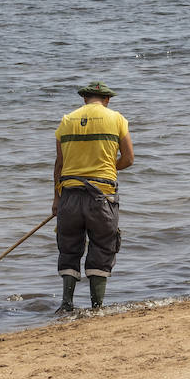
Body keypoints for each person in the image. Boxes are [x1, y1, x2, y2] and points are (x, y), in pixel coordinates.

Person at [53, 81, 134, 312]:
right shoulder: (116, 118)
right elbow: (129, 158)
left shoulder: (67, 121)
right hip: (101, 196)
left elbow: (59, 164)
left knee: (68, 248)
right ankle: (97, 307)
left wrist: (56, 200)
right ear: (106, 100)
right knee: (102, 247)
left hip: (69, 195)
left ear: (84, 99)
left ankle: (66, 304)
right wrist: (108, 168)